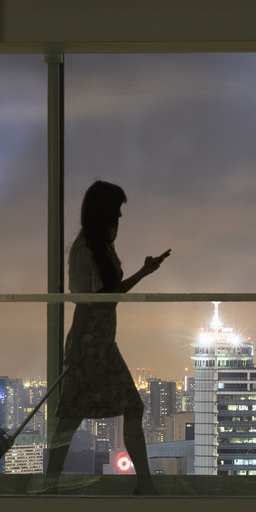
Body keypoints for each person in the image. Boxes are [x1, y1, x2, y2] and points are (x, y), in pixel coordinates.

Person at [45, 180, 170, 494]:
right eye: (116, 210)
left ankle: (49, 486)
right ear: (104, 212)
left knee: (75, 416)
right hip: (91, 344)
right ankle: (144, 486)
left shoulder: (100, 247)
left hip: (98, 343)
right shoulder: (84, 249)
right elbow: (85, 303)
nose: (120, 217)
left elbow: (110, 295)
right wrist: (75, 353)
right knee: (82, 415)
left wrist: (144, 271)